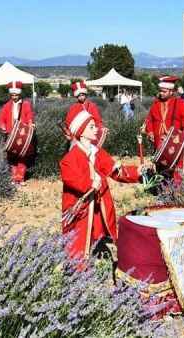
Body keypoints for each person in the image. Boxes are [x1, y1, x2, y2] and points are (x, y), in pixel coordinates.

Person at [60, 110, 152, 262]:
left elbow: (116, 171)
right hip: (80, 209)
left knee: (98, 232)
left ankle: (95, 257)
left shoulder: (97, 152)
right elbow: (71, 179)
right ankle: (76, 271)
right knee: (77, 242)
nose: (97, 129)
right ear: (81, 132)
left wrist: (137, 172)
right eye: (91, 127)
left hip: (98, 204)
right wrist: (90, 183)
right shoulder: (70, 158)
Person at [144, 75, 184, 184]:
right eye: (160, 91)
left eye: (164, 91)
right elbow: (149, 120)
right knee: (161, 169)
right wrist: (150, 132)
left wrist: (183, 134)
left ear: (171, 91)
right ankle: (162, 192)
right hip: (159, 143)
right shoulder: (155, 105)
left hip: (174, 144)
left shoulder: (180, 104)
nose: (161, 93)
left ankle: (176, 193)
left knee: (176, 169)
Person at [0, 81, 35, 185]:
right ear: (10, 94)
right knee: (11, 157)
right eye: (12, 95)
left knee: (22, 156)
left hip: (22, 134)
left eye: (16, 95)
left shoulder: (26, 104)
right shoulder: (6, 106)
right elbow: (1, 119)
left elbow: (29, 116)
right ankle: (14, 178)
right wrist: (2, 126)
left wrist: (31, 124)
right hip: (10, 135)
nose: (14, 97)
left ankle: (20, 178)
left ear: (20, 94)